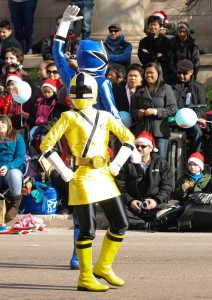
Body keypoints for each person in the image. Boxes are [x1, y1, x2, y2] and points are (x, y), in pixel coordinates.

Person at [40, 72, 135, 292]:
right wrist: (64, 170)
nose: (81, 95)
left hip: (103, 174)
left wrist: (118, 164)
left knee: (121, 224)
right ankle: (85, 276)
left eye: (84, 91)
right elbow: (46, 144)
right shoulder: (68, 117)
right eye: (77, 92)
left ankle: (103, 266)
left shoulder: (105, 116)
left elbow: (128, 138)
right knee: (87, 230)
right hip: (81, 175)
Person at [52, 5, 122, 270]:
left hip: (76, 143)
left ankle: (77, 253)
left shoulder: (72, 77)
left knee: (82, 202)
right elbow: (114, 117)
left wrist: (65, 25)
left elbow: (56, 52)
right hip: (98, 146)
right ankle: (93, 259)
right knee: (98, 205)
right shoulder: (102, 83)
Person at [115, 131, 173, 230]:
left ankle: (140, 224)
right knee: (116, 209)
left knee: (174, 210)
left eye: (143, 146)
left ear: (151, 148)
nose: (139, 149)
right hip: (133, 207)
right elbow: (120, 186)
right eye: (137, 146)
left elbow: (168, 186)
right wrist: (130, 201)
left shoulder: (162, 163)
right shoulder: (127, 164)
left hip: (156, 206)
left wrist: (156, 201)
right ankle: (145, 225)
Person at [130, 62, 177, 159]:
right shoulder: (139, 89)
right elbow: (132, 110)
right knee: (140, 159)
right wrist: (138, 113)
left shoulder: (166, 88)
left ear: (158, 73)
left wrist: (156, 111)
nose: (148, 75)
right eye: (146, 73)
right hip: (142, 131)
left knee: (160, 160)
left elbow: (173, 108)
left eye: (151, 72)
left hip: (160, 132)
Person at [172, 59, 207, 155]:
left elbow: (202, 108)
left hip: (190, 121)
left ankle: (196, 158)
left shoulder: (198, 87)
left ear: (191, 72)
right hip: (173, 119)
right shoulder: (170, 86)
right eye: (179, 73)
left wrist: (195, 117)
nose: (181, 76)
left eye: (184, 73)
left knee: (197, 132)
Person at [0, 114, 26, 223]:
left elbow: (20, 157)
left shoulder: (17, 137)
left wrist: (8, 166)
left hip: (10, 170)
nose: (0, 124)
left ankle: (15, 205)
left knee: (14, 174)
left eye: (3, 122)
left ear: (8, 124)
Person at [137, 15, 172, 84]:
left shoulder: (166, 41)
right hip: (147, 73)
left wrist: (149, 54)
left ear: (159, 26)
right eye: (151, 25)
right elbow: (142, 58)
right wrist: (157, 55)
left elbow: (167, 57)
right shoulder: (143, 41)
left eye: (155, 25)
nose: (153, 27)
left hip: (163, 73)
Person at [29, 78, 64, 145]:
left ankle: (44, 154)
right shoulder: (39, 102)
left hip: (49, 127)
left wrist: (47, 127)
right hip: (38, 125)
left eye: (49, 92)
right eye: (45, 92)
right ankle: (30, 152)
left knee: (43, 139)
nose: (46, 94)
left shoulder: (56, 104)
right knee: (29, 136)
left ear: (53, 91)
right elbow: (34, 114)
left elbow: (56, 118)